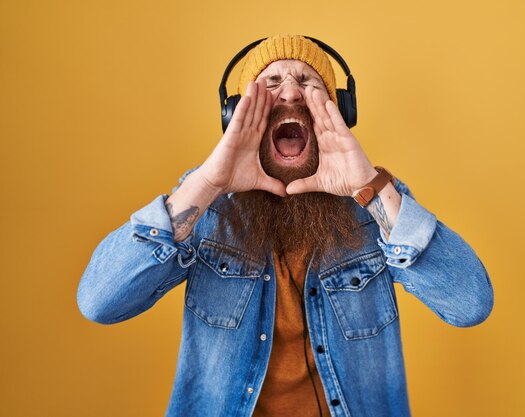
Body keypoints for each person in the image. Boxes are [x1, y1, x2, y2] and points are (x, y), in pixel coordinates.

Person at [77, 34, 494, 417]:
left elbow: (469, 304)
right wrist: (206, 184)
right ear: (236, 112)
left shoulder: (374, 203)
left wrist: (369, 186)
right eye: (271, 82)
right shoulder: (210, 207)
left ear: (338, 110)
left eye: (308, 82)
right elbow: (100, 302)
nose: (291, 92)